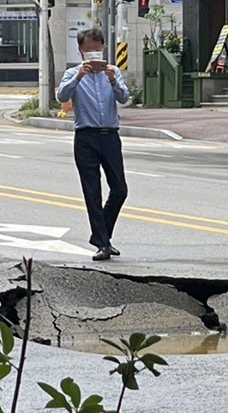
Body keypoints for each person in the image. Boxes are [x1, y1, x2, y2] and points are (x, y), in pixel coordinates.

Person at [57, 28, 130, 261]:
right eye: (89, 50)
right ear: (81, 51)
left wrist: (112, 80)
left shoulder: (113, 72)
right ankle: (103, 243)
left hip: (110, 136)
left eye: (97, 50)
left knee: (119, 189)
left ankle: (102, 236)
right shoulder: (72, 73)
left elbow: (124, 97)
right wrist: (79, 76)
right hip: (85, 137)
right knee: (92, 191)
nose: (93, 55)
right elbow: (61, 96)